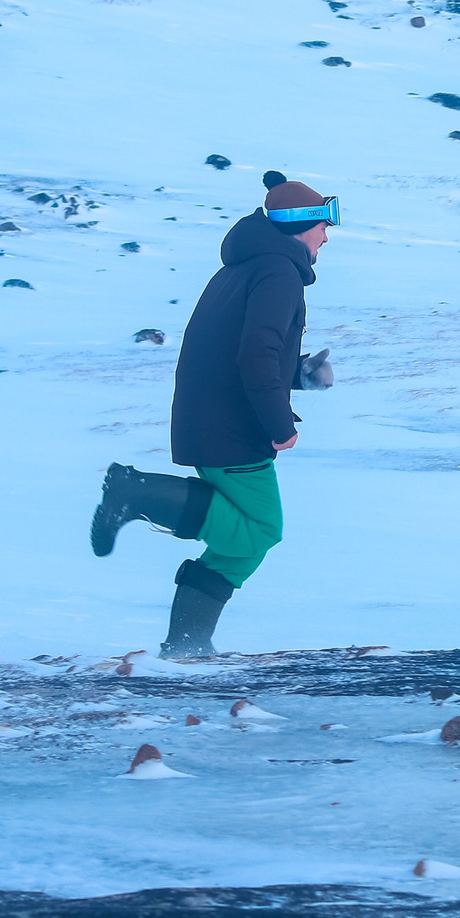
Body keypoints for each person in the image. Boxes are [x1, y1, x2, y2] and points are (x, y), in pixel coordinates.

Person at [90, 171, 336, 657]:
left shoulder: (249, 267)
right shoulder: (276, 271)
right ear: (300, 225)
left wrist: (299, 376)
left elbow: (243, 350)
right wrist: (278, 423)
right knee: (261, 530)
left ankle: (187, 646)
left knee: (240, 546)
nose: (327, 235)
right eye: (323, 224)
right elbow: (255, 353)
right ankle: (133, 492)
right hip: (233, 423)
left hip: (215, 415)